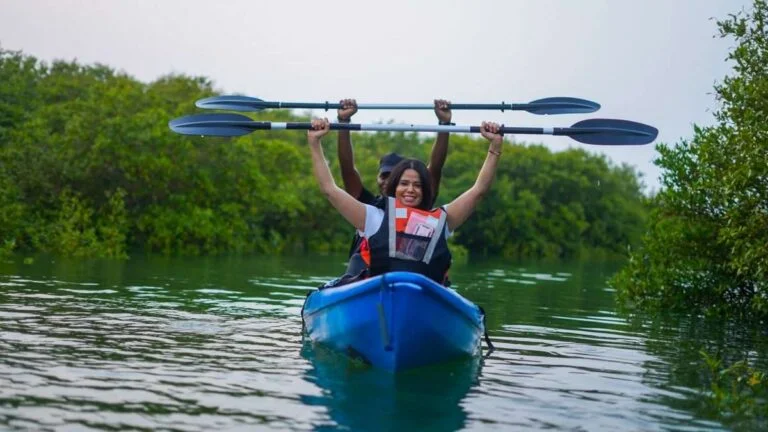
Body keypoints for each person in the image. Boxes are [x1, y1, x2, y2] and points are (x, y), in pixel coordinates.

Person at [308, 118, 504, 286]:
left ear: (426, 190)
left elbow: (478, 191)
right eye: (404, 183)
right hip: (377, 292)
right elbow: (329, 189)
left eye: (417, 185)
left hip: (422, 294)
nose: (410, 189)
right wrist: (314, 143)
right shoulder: (373, 217)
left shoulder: (441, 221)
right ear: (394, 186)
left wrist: (494, 147)